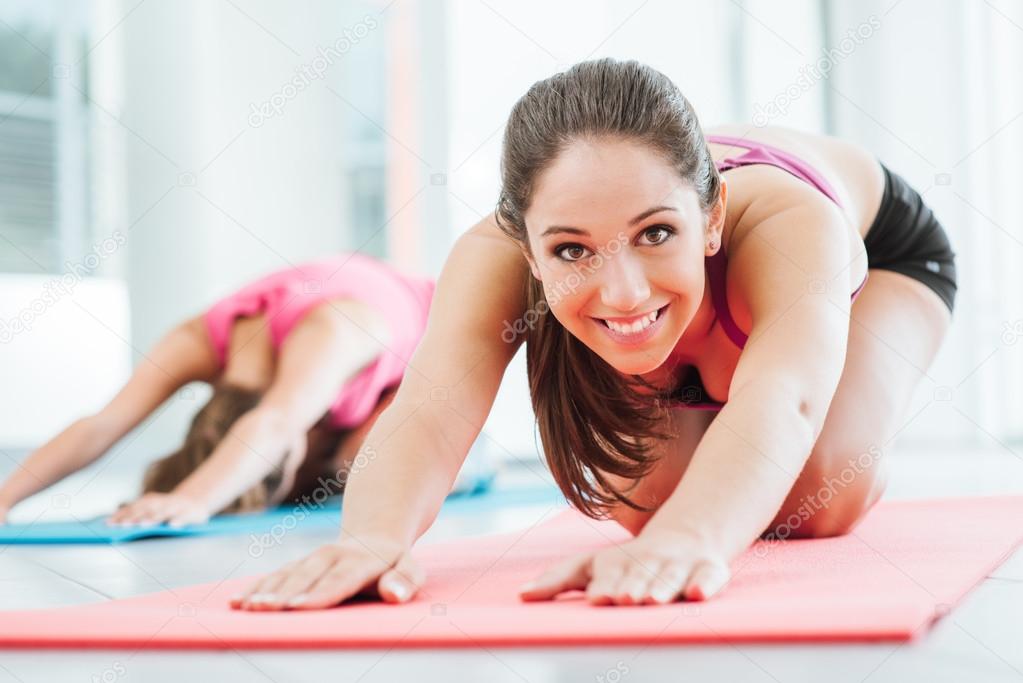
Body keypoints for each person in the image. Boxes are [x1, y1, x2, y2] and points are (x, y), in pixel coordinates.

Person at [230, 58, 957, 611]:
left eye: (656, 232)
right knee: (640, 504)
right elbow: (431, 404)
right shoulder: (493, 254)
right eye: (572, 250)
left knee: (821, 495)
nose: (624, 290)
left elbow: (788, 399)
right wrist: (370, 536)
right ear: (526, 242)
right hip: (694, 304)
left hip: (884, 256)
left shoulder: (788, 226)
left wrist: (693, 535)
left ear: (709, 215)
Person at [0, 251, 436, 527]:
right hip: (350, 333)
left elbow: (277, 420)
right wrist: (5, 499)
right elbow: (103, 423)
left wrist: (194, 499)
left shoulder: (337, 334)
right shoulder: (198, 342)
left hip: (436, 334)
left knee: (358, 464)